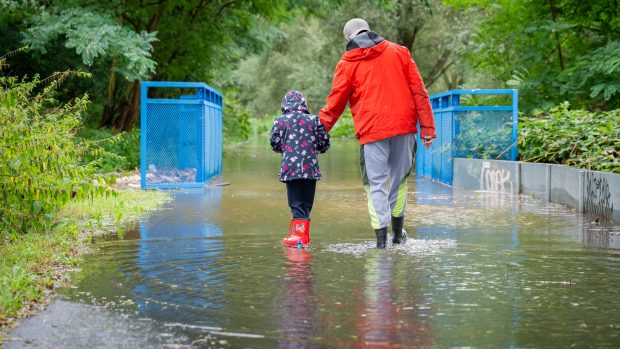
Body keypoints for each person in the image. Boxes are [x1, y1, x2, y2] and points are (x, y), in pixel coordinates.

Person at [319, 18, 436, 249]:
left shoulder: (347, 62)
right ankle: (397, 236)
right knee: (399, 181)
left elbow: (336, 102)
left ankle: (381, 243)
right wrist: (428, 129)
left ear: (348, 38)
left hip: (372, 130)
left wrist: (319, 131)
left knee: (375, 184)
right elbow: (419, 91)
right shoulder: (400, 52)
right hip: (404, 127)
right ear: (370, 30)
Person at [270, 91, 331, 247]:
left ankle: (299, 240)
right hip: (310, 168)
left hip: (291, 169)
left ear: (285, 104)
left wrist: (283, 149)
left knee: (296, 203)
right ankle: (303, 238)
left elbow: (274, 143)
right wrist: (318, 149)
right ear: (304, 104)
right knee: (306, 204)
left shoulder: (280, 121)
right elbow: (324, 141)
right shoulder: (314, 120)